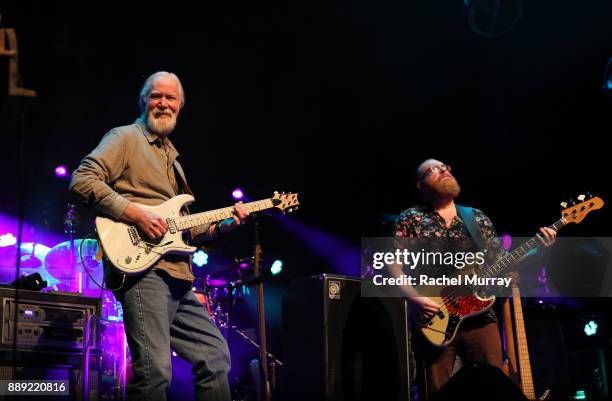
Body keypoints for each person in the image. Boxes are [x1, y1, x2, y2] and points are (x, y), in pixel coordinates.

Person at [70, 71, 247, 401]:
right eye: (156, 96)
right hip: (144, 273)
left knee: (215, 357)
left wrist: (222, 226)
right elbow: (82, 180)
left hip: (178, 275)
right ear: (143, 100)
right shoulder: (125, 138)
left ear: (180, 106)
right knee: (155, 373)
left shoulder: (173, 160)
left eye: (171, 98)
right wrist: (135, 213)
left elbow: (180, 227)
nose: (163, 103)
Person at [393, 158, 556, 398]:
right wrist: (414, 298)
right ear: (421, 184)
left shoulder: (475, 218)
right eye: (434, 169)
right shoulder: (410, 218)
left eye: (446, 166)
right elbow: (392, 264)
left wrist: (538, 249)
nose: (444, 170)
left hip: (480, 318)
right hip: (434, 318)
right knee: (438, 392)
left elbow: (502, 262)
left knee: (494, 387)